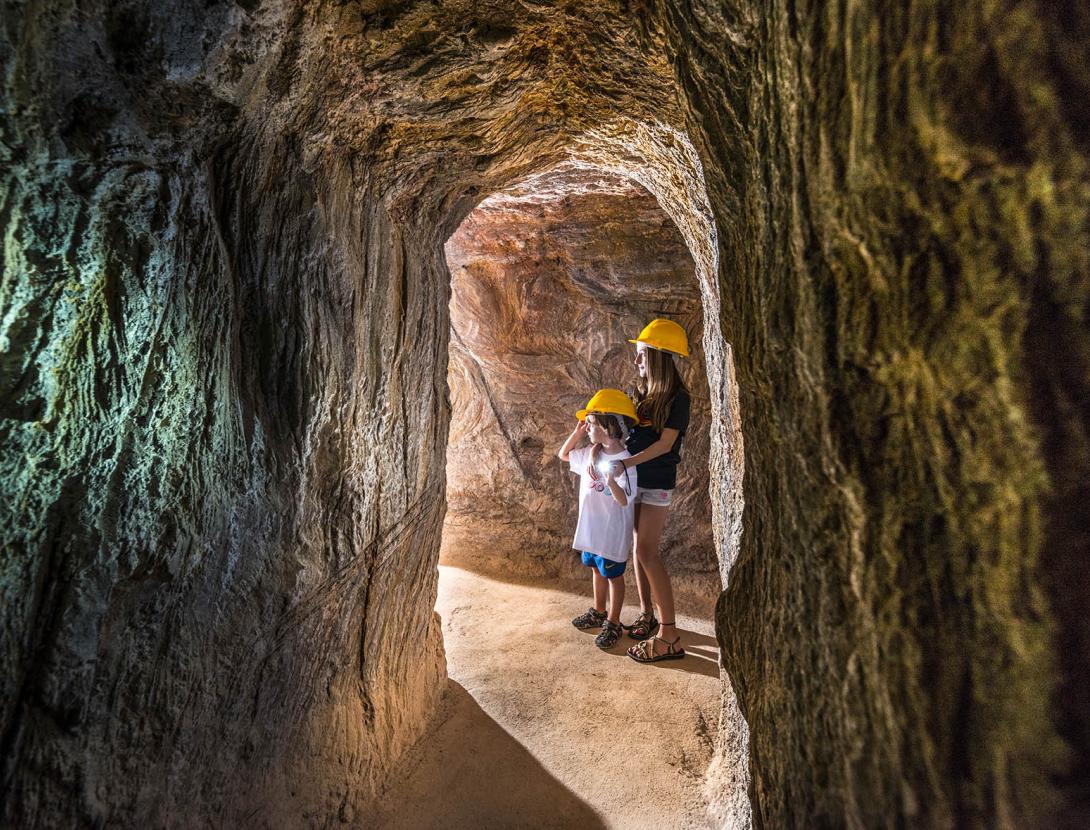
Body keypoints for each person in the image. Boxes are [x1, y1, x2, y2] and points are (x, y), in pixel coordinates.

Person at [592, 318, 690, 663]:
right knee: (637, 549)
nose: (637, 362)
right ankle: (648, 615)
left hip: (656, 482)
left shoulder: (679, 398)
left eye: (642, 355)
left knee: (648, 552)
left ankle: (669, 635)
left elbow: (665, 445)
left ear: (658, 357)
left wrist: (625, 466)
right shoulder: (644, 395)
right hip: (634, 481)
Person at [557, 389, 639, 649]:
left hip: (611, 533)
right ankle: (599, 610)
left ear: (608, 426)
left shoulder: (626, 461)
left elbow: (624, 499)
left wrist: (610, 479)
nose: (588, 428)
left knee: (614, 576)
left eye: (591, 424)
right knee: (595, 568)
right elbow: (564, 454)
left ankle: (613, 622)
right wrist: (578, 433)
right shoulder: (591, 454)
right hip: (592, 530)